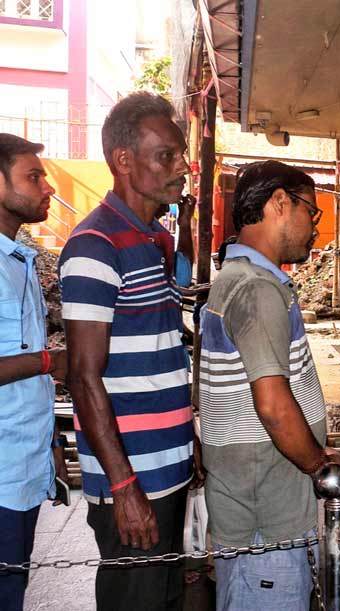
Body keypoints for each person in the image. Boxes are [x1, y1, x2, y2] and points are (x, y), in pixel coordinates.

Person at [58, 93, 203, 611]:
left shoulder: (152, 239)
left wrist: (189, 442)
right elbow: (83, 377)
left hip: (169, 466)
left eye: (180, 154)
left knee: (162, 599)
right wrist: (123, 485)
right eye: (167, 155)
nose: (182, 167)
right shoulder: (95, 246)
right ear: (123, 161)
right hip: (134, 476)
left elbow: (161, 353)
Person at [198, 160, 340, 610]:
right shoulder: (257, 289)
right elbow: (272, 404)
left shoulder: (236, 281)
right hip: (266, 519)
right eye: (313, 212)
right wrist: (316, 465)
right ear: (280, 203)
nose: (315, 229)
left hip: (254, 507)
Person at [0, 134, 68, 611]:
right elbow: (34, 359)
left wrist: (51, 446)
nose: (47, 187)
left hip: (21, 464)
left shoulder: (17, 259)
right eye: (33, 176)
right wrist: (49, 361)